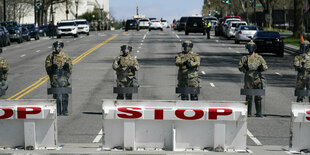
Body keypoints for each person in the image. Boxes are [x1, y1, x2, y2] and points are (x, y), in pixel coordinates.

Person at [238, 40, 268, 117]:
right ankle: (248, 112)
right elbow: (240, 67)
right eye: (249, 47)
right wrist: (244, 68)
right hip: (248, 78)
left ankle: (259, 112)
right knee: (248, 96)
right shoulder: (245, 58)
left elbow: (265, 67)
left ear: (254, 48)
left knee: (258, 96)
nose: (250, 49)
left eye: (252, 47)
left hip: (257, 78)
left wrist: (261, 68)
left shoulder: (259, 57)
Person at [45, 41, 72, 115]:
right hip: (54, 78)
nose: (57, 49)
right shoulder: (50, 56)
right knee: (56, 95)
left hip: (63, 77)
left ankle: (65, 110)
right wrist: (51, 68)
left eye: (58, 47)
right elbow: (47, 66)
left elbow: (70, 65)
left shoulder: (65, 56)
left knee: (65, 94)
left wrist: (67, 67)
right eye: (56, 47)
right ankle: (57, 110)